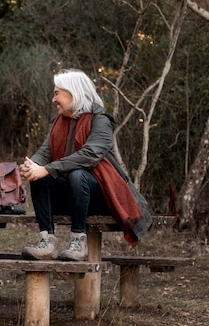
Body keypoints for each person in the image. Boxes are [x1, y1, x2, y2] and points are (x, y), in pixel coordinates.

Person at [19, 69, 151, 261]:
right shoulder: (59, 123)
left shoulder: (101, 120)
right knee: (41, 178)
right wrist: (30, 168)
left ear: (73, 93)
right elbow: (44, 154)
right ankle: (47, 241)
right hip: (71, 196)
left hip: (101, 196)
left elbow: (89, 155)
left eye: (57, 93)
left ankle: (78, 241)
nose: (53, 100)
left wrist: (46, 169)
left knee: (76, 174)